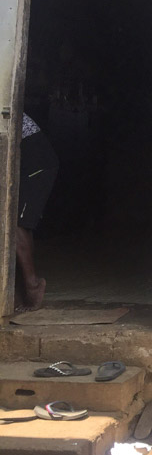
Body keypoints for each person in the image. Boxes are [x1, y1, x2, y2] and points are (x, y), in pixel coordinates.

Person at [16, 113, 58, 311]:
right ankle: (27, 286)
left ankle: (33, 285)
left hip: (36, 164)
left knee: (16, 225)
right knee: (22, 224)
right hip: (33, 163)